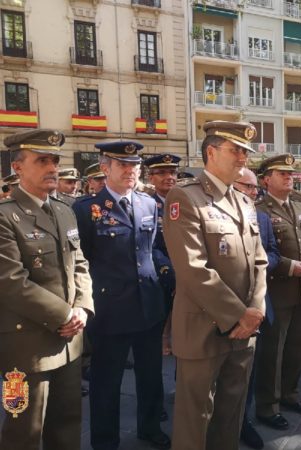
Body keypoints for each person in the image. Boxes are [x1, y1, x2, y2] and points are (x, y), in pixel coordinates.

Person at [163, 121, 267, 450]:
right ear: (211, 152)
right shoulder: (185, 196)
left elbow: (259, 261)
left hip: (244, 330)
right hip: (204, 328)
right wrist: (239, 314)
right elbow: (192, 268)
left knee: (230, 415)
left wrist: (256, 310)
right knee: (195, 419)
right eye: (235, 150)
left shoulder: (245, 202)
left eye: (245, 152)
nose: (243, 158)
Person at [0, 129, 94, 450]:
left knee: (67, 427)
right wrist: (64, 314)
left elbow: (79, 263)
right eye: (42, 160)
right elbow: (11, 282)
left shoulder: (65, 210)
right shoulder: (5, 217)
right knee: (23, 429)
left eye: (54, 160)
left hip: (69, 343)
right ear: (17, 167)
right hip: (25, 350)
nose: (53, 167)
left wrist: (82, 308)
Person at [72, 141, 169, 450]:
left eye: (135, 165)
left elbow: (153, 248)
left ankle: (150, 426)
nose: (131, 170)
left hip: (149, 304)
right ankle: (105, 441)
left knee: (152, 374)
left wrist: (166, 273)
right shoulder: (86, 209)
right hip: (110, 308)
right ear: (105, 168)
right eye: (123, 165)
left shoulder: (148, 203)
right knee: (106, 382)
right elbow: (81, 261)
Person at [254, 154, 301, 431]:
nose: (289, 176)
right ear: (266, 179)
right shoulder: (259, 210)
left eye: (290, 173)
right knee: (272, 353)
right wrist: (291, 267)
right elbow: (260, 253)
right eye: (282, 173)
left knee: (297, 348)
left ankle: (290, 394)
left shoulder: (300, 204)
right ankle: (268, 406)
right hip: (277, 291)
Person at [234, 167, 281, 450]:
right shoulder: (210, 212)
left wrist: (260, 266)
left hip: (259, 302)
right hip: (225, 306)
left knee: (250, 369)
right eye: (247, 187)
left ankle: (243, 421)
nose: (252, 193)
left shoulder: (262, 218)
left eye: (254, 189)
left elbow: (273, 252)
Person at [144, 154, 180, 356]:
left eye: (173, 172)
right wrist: (171, 272)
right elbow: (149, 244)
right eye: (162, 173)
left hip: (187, 265)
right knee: (163, 309)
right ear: (151, 178)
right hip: (160, 268)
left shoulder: (186, 202)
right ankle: (163, 337)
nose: (169, 177)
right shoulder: (146, 204)